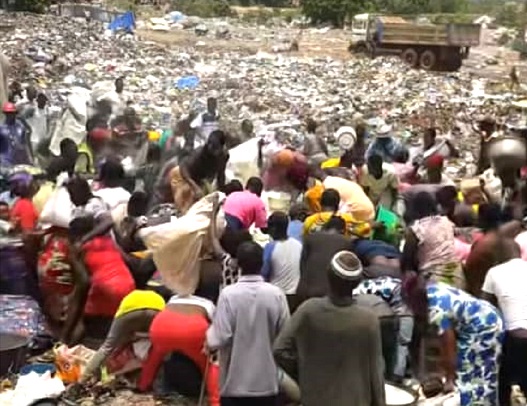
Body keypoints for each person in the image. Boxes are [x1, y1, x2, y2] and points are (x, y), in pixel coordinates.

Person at [274, 251, 385, 406]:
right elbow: (376, 370)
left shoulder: (308, 310)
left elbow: (279, 350)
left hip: (316, 398)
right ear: (357, 283)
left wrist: (304, 369)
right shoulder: (368, 320)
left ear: (328, 276)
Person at [206, 241, 290, 406]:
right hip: (267, 384)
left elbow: (218, 339)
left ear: (238, 264)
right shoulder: (276, 295)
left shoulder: (228, 295)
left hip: (234, 385)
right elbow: (286, 336)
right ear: (262, 263)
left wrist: (208, 338)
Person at [404, 273, 504, 406]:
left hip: (483, 325)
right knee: (484, 373)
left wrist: (450, 378)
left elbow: (448, 344)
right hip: (489, 318)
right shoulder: (433, 289)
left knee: (470, 375)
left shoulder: (436, 308)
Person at [138, 293, 220, 406]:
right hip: (192, 331)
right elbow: (217, 326)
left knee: (154, 356)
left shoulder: (175, 297)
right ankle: (216, 401)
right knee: (209, 364)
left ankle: (143, 384)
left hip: (161, 327)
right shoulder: (208, 304)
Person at [63, 215, 135, 344]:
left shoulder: (77, 250)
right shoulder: (109, 242)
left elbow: (83, 283)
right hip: (129, 287)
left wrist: (65, 333)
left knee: (85, 317)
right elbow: (129, 260)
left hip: (108, 289)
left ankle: (68, 344)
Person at [81, 290, 166, 382]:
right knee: (157, 349)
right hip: (157, 311)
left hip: (129, 310)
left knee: (107, 347)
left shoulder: (131, 298)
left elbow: (118, 344)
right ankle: (149, 381)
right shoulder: (156, 297)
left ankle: (84, 378)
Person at [480, 240, 527, 406]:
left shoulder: (494, 272)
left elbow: (484, 308)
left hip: (515, 339)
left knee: (502, 381)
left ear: (499, 255)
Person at [353, 276, 413, 382]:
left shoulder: (358, 288)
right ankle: (394, 377)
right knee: (400, 345)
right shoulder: (401, 288)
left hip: (365, 313)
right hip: (389, 314)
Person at [402, 192, 465, 289]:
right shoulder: (446, 221)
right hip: (457, 276)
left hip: (433, 279)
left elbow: (407, 261)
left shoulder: (417, 229)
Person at [171, 130, 229, 214]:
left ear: (222, 146)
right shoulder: (199, 153)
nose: (210, 149)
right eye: (209, 145)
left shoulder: (224, 156)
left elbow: (221, 174)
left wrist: (222, 193)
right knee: (185, 210)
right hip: (182, 176)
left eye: (215, 147)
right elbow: (183, 168)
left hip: (199, 179)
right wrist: (195, 187)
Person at [298, 216, 354, 302]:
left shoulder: (311, 238)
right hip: (330, 294)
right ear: (342, 230)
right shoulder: (346, 242)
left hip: (306, 291)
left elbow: (302, 265)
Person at [303, 188, 371, 237]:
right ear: (337, 205)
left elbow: (304, 239)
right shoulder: (345, 219)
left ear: (320, 203)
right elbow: (364, 228)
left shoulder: (310, 220)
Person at [262, 212, 301, 294]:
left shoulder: (270, 247)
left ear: (273, 228)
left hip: (276, 294)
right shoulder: (298, 245)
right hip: (296, 293)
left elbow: (264, 273)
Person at [0, 102, 32, 166]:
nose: (11, 115)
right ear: (5, 114)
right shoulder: (1, 128)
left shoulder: (20, 126)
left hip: (19, 161)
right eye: (8, 113)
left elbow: (25, 144)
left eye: (13, 113)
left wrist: (30, 158)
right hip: (5, 161)